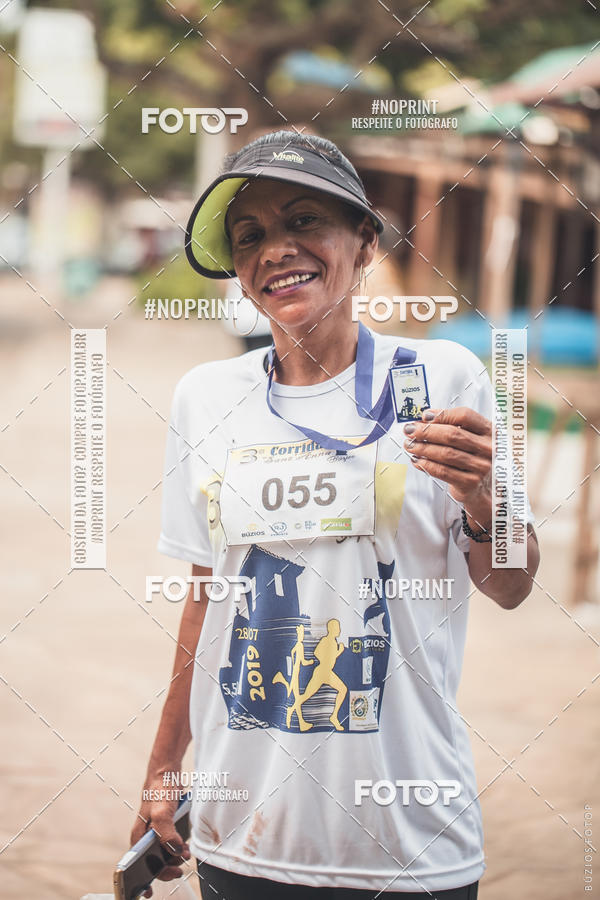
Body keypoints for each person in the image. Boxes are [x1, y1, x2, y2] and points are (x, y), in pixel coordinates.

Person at [131, 130, 540, 900]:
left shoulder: (443, 378)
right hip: (241, 830)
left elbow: (512, 585)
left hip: (410, 840)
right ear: (239, 275)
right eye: (249, 236)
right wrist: (162, 771)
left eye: (303, 221)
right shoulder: (206, 397)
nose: (275, 250)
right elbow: (206, 599)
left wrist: (483, 498)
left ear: (365, 241)